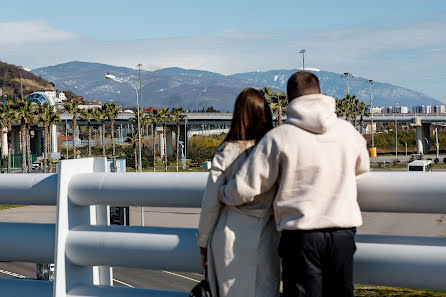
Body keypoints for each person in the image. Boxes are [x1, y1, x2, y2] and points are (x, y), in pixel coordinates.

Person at [220, 71, 370, 297]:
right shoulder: (348, 132)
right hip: (342, 232)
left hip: (300, 235)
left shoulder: (278, 138)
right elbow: (361, 169)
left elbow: (246, 187)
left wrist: (222, 193)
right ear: (321, 94)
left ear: (289, 101)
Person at [197, 88, 280, 297]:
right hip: (267, 238)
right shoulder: (273, 150)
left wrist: (203, 242)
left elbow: (210, 203)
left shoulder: (227, 151)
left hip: (228, 236)